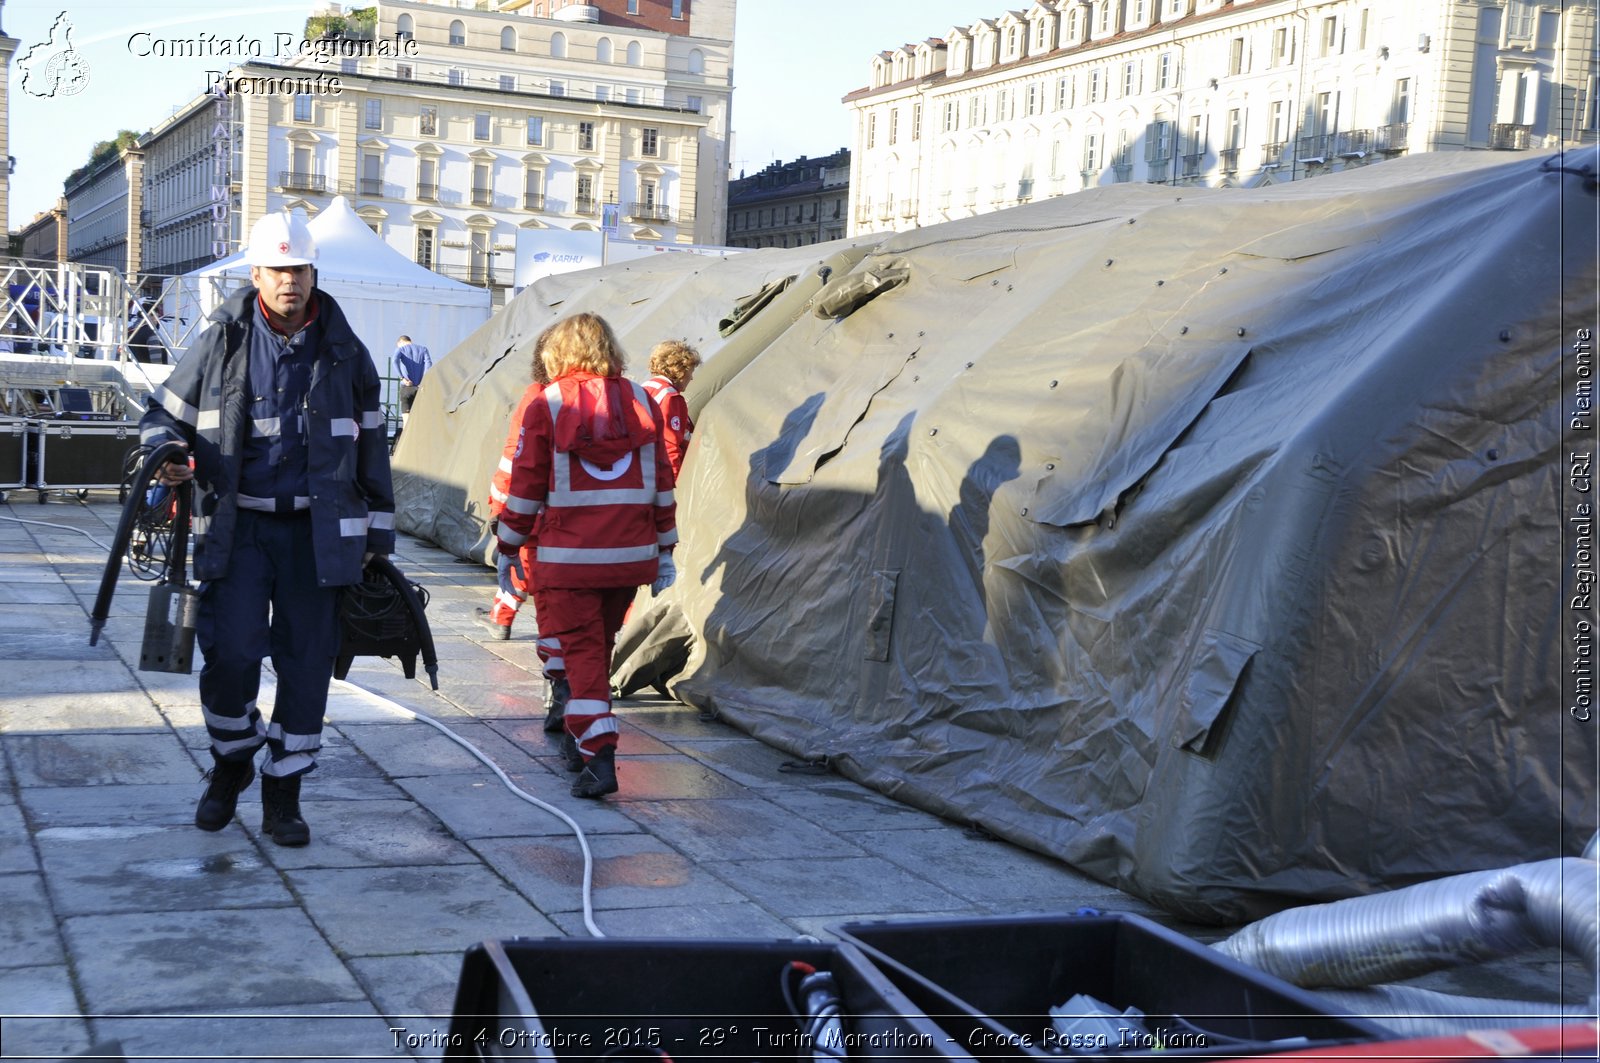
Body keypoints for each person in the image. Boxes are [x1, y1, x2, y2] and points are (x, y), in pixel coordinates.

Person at [140, 210, 395, 846]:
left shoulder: (345, 351)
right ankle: (231, 764)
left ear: (314, 274)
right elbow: (160, 416)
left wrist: (377, 543)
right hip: (239, 531)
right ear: (256, 274)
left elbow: (373, 453)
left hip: (319, 539)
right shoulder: (222, 340)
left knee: (307, 666)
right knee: (229, 657)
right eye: (278, 269)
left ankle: (284, 789)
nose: (290, 281)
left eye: (300, 270)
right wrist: (168, 456)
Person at [496, 313, 677, 798]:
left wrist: (507, 544)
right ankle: (581, 730)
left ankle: (599, 756)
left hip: (568, 559)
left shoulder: (546, 404)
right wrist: (665, 549)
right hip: (629, 555)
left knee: (583, 659)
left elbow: (526, 484)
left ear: (557, 352)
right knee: (598, 647)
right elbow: (663, 481)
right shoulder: (643, 400)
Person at [477, 325, 571, 733]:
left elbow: (518, 460)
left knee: (544, 600)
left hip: (543, 526)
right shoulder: (629, 397)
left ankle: (564, 695)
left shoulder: (540, 398)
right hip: (608, 536)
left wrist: (502, 508)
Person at [640, 339, 702, 480]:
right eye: (690, 372)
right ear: (680, 371)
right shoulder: (670, 398)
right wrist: (675, 486)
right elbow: (669, 446)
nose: (691, 378)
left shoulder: (645, 388)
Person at [393, 334, 432, 426]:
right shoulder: (423, 349)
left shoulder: (400, 349)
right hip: (420, 388)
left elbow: (394, 361)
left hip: (406, 387)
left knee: (406, 423)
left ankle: (405, 439)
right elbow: (429, 364)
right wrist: (423, 380)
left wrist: (402, 377)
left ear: (401, 342)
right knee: (419, 421)